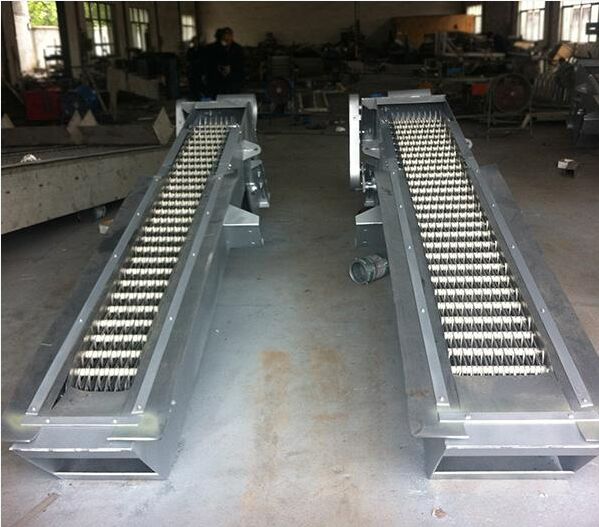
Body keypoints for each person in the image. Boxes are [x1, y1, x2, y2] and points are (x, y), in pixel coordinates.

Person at [204, 27, 245, 98]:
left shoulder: (238, 49)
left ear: (232, 36)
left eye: (229, 36)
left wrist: (231, 68)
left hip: (233, 80)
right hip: (216, 80)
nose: (227, 38)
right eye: (225, 36)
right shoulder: (211, 48)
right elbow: (208, 63)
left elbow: (241, 64)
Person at [186, 35, 205, 100]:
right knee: (192, 83)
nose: (195, 42)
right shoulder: (190, 50)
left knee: (199, 83)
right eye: (194, 41)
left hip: (199, 69)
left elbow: (203, 60)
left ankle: (199, 96)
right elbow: (188, 59)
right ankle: (193, 96)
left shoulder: (202, 49)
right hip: (192, 69)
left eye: (196, 41)